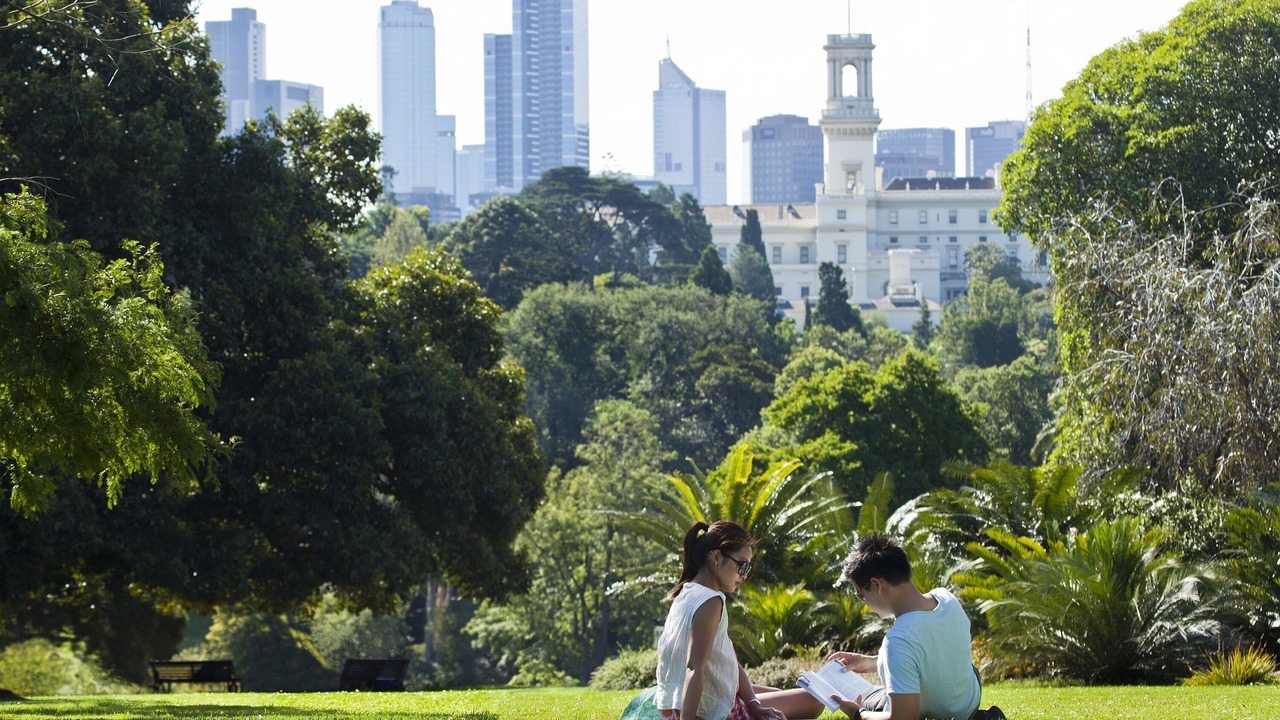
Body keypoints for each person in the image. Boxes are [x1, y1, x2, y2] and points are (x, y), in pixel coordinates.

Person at [654, 521, 819, 720]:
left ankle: (753, 706)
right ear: (716, 557)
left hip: (678, 705)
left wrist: (754, 704)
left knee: (775, 693)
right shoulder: (710, 601)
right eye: (742, 565)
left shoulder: (685, 593)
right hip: (706, 711)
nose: (745, 575)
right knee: (814, 700)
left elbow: (728, 662)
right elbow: (693, 668)